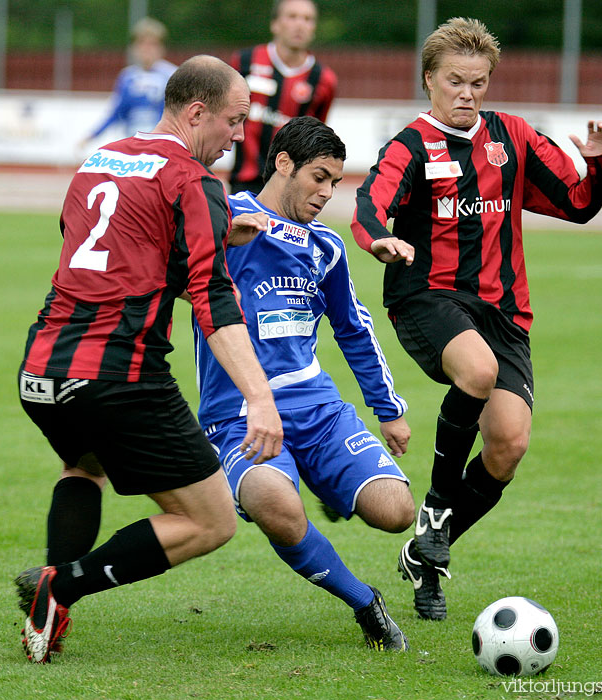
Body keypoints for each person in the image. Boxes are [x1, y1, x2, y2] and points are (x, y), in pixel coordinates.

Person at [15, 55, 283, 664]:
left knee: (84, 466)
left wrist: (208, 232)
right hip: (119, 373)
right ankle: (61, 585)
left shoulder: (98, 160)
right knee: (210, 521)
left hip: (41, 369)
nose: (238, 136)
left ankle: (45, 618)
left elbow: (106, 249)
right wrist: (259, 399)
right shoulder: (190, 180)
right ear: (196, 112)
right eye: (234, 121)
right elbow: (213, 301)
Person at [351, 17, 602, 621]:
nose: (467, 93)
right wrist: (379, 242)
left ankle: (426, 557)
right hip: (427, 296)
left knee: (507, 446)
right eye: (455, 81)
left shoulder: (512, 137)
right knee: (475, 371)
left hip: (504, 311)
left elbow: (577, 204)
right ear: (430, 81)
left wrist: (601, 163)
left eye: (478, 82)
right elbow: (369, 204)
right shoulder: (410, 145)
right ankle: (438, 512)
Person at [193, 116, 414, 651]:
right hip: (241, 413)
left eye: (335, 182)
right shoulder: (225, 220)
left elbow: (354, 328)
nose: (326, 192)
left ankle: (319, 470)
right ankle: (365, 602)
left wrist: (388, 408)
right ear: (284, 163)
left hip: (317, 407)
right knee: (276, 505)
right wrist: (224, 233)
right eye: (319, 177)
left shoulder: (326, 247)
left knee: (396, 512)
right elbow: (167, 264)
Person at [228, 0, 336, 195]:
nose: (300, 24)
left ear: (314, 27)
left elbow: (316, 134)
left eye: (307, 19)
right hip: (245, 181)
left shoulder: (323, 79)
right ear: (275, 24)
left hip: (291, 187)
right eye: (292, 16)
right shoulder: (245, 62)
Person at [81, 17, 177, 146]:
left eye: (152, 44)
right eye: (142, 43)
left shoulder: (173, 75)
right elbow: (117, 112)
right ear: (134, 47)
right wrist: (92, 136)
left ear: (161, 47)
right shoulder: (127, 77)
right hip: (134, 144)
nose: (147, 49)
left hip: (162, 145)